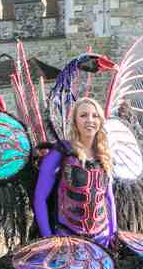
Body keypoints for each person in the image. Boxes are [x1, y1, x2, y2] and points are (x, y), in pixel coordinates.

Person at [33, 97, 116, 250]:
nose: (90, 120)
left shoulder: (104, 154)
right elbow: (40, 197)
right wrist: (48, 239)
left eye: (95, 115)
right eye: (83, 115)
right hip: (67, 240)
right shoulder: (61, 152)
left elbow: (108, 199)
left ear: (100, 121)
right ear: (75, 121)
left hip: (102, 241)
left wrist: (113, 235)